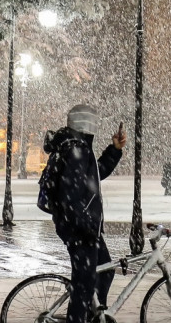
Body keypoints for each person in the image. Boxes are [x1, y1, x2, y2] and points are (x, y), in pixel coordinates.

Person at [44, 104, 125, 323]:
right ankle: (79, 319)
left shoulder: (78, 148)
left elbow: (94, 175)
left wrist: (114, 150)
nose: (95, 126)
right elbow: (70, 196)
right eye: (93, 122)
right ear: (86, 124)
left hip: (86, 228)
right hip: (80, 230)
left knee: (105, 271)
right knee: (84, 285)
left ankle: (93, 316)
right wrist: (85, 226)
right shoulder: (75, 151)